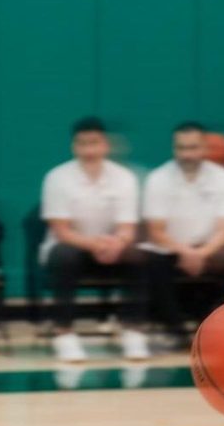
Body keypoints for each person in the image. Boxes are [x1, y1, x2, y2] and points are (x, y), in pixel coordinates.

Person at [39, 117, 153, 362]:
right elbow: (61, 230)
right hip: (70, 248)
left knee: (139, 254)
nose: (89, 150)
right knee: (64, 255)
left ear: (105, 145)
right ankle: (64, 333)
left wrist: (118, 243)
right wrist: (95, 244)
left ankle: (133, 330)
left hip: (111, 248)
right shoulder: (57, 177)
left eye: (94, 143)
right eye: (82, 144)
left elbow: (127, 228)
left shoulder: (124, 178)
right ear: (73, 146)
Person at [141, 121, 224, 338]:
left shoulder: (223, 177)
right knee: (150, 260)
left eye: (193, 147)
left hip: (210, 249)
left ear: (205, 148)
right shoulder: (157, 179)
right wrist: (185, 252)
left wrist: (201, 253)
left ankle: (216, 323)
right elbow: (156, 231)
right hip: (170, 249)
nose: (187, 154)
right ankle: (175, 329)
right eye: (181, 148)